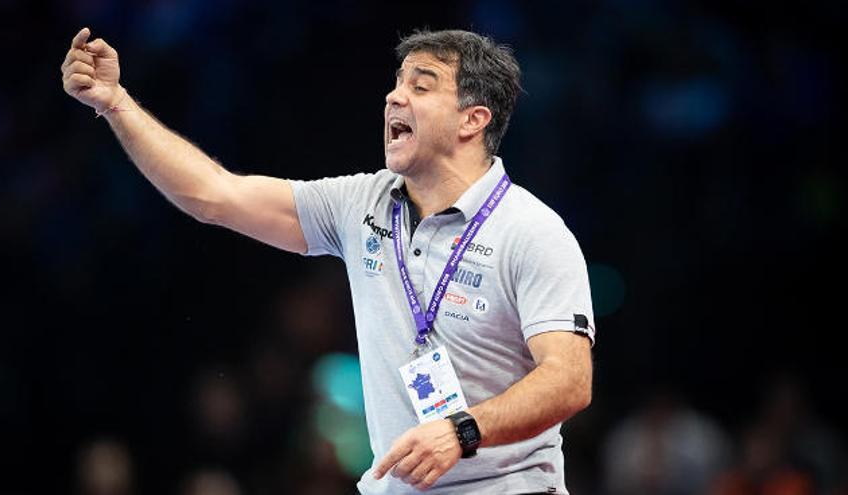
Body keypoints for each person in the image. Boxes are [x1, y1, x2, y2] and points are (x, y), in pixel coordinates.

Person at [61, 26, 596, 494]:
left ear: (472, 120)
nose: (393, 97)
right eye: (396, 82)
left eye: (421, 85)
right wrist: (116, 103)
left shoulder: (532, 232)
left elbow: (570, 380)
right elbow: (214, 195)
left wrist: (463, 429)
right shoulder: (359, 203)